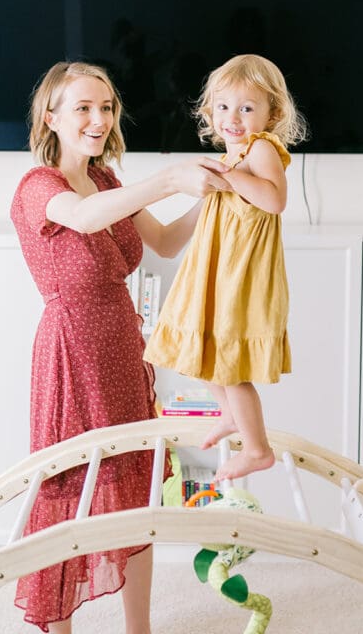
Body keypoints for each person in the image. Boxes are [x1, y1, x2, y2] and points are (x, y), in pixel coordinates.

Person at [11, 60, 230, 634]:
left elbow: (162, 240)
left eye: (106, 106)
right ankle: (59, 627)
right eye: (83, 107)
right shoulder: (39, 188)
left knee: (135, 488)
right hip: (71, 351)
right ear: (51, 117)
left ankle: (140, 629)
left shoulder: (108, 182)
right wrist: (169, 178)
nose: (99, 118)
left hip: (123, 348)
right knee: (67, 492)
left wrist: (212, 192)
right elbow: (82, 220)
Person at [144, 53, 307, 482]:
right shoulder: (233, 156)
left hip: (241, 278)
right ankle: (232, 416)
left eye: (247, 108)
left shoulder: (261, 149)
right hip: (214, 274)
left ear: (272, 114)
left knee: (229, 365)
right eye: (222, 107)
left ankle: (257, 448)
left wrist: (231, 177)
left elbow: (275, 201)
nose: (232, 117)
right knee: (191, 353)